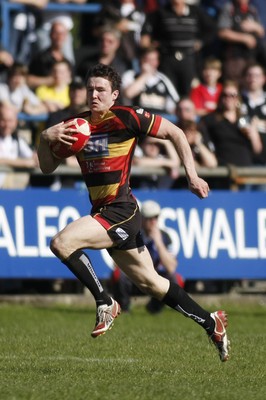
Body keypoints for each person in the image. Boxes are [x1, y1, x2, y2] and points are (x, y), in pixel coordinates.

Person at [37, 63, 230, 362]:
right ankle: (211, 322)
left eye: (101, 89)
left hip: (122, 210)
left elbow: (176, 132)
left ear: (114, 94)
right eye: (90, 89)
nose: (94, 94)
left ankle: (105, 301)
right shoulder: (74, 125)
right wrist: (44, 138)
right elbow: (47, 166)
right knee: (153, 284)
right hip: (102, 210)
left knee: (62, 243)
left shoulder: (127, 117)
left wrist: (192, 175)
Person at [112, 199, 180, 314]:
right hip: (136, 275)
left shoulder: (165, 237)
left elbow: (171, 268)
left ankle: (154, 308)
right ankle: (124, 308)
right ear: (142, 218)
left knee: (175, 279)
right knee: (118, 275)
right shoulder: (133, 235)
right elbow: (117, 262)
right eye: (149, 218)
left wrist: (158, 243)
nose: (153, 221)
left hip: (155, 275)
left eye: (156, 217)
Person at [140, 0, 216, 96]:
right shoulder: (161, 12)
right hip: (168, 58)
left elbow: (212, 29)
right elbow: (147, 31)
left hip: (189, 59)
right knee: (170, 91)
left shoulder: (195, 11)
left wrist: (201, 42)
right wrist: (152, 43)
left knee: (189, 92)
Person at [199, 80, 262, 167]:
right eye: (225, 95)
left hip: (246, 169)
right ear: (220, 97)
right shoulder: (210, 119)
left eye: (232, 95)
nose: (228, 98)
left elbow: (257, 150)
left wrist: (253, 135)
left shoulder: (246, 119)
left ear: (238, 98)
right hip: (223, 170)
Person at [122, 46, 180, 115]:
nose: (150, 63)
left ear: (157, 62)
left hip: (159, 119)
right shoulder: (131, 75)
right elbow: (128, 94)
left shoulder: (163, 79)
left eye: (153, 60)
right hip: (137, 118)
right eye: (148, 60)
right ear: (142, 60)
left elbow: (175, 102)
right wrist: (145, 75)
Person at [217, 0, 265, 82]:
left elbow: (261, 32)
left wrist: (255, 26)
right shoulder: (229, 7)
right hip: (235, 59)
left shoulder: (252, 9)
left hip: (251, 57)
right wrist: (244, 38)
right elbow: (222, 32)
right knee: (234, 88)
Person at [0, 102, 38, 188]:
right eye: (3, 120)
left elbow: (32, 157)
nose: (6, 125)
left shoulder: (16, 140)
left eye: (10, 121)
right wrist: (22, 163)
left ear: (15, 122)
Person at [27, 20, 74, 89]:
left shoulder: (68, 61)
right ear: (50, 35)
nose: (59, 37)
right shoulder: (40, 58)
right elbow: (28, 80)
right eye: (56, 33)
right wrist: (51, 80)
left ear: (66, 36)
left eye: (62, 34)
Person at [240, 62, 266, 165]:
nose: (252, 78)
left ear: (263, 78)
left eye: (257, 75)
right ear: (244, 78)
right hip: (245, 159)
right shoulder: (236, 98)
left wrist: (258, 124)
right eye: (249, 75)